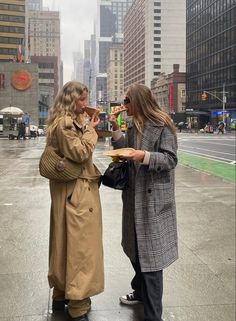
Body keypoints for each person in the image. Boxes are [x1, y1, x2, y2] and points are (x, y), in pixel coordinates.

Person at [108, 84, 178, 321]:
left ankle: (152, 315)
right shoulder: (134, 124)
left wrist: (143, 156)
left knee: (151, 259)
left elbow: (170, 159)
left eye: (127, 101)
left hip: (153, 199)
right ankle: (139, 291)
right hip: (133, 196)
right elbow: (123, 150)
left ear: (138, 101)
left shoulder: (163, 124)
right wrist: (116, 128)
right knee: (135, 251)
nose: (124, 105)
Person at [46, 81, 104, 321]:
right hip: (77, 192)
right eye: (81, 100)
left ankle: (61, 294)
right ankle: (78, 303)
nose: (85, 104)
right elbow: (80, 153)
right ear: (71, 100)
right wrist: (91, 129)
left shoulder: (61, 122)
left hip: (67, 192)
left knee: (64, 244)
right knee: (81, 249)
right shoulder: (66, 124)